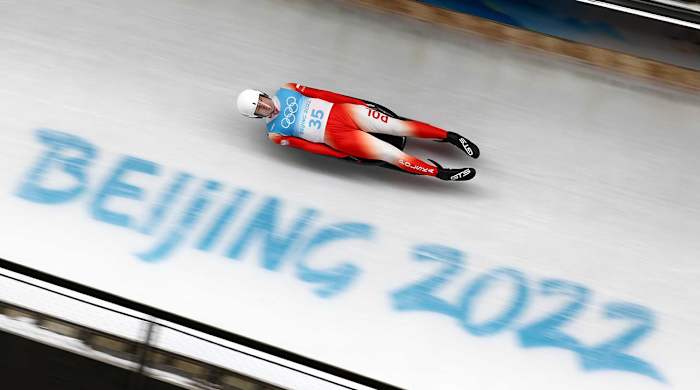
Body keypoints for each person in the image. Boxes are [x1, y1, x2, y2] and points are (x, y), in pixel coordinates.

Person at [236, 83, 479, 181]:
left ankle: (451, 137)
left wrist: (359, 103)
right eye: (258, 109)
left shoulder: (288, 89)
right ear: (256, 115)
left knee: (397, 126)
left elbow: (324, 95)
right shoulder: (275, 134)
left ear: (263, 94)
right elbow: (310, 147)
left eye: (260, 100)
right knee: (390, 154)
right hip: (338, 139)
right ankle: (441, 173)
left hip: (344, 112)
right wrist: (339, 155)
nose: (264, 106)